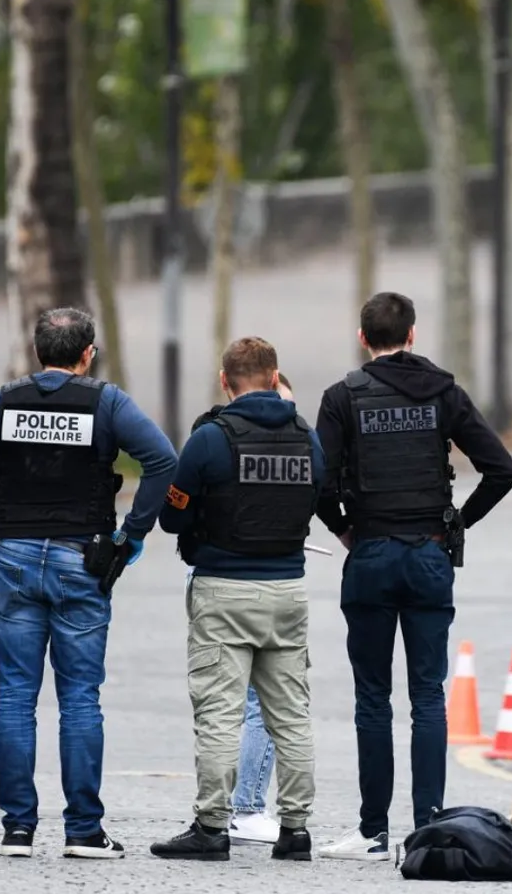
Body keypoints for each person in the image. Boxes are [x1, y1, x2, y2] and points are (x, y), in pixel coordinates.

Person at [0, 307, 177, 860]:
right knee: (80, 698)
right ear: (87, 355)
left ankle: (18, 830)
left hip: (14, 556)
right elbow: (162, 459)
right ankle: (83, 830)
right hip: (83, 557)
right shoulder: (107, 401)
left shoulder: (4, 402)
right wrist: (131, 535)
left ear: (37, 354)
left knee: (14, 696)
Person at [314, 292, 512, 860]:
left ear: (363, 338)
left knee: (372, 698)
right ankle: (427, 824)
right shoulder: (445, 395)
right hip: (429, 555)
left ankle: (372, 833)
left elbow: (318, 482)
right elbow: (502, 469)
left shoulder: (341, 399)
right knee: (428, 695)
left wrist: (343, 530)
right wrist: (456, 523)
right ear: (412, 335)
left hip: (372, 555)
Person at [151, 338, 323, 862]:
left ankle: (211, 828)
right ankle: (295, 830)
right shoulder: (307, 438)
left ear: (225, 383)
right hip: (288, 589)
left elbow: (172, 515)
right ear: (275, 379)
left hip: (223, 588)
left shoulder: (210, 439)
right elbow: (318, 495)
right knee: (290, 715)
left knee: (221, 714)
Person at [183, 372, 298, 846]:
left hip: (226, 576)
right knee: (257, 705)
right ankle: (246, 806)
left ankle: (225, 813)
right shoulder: (219, 437)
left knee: (241, 705)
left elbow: (179, 508)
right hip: (247, 580)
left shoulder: (212, 436)